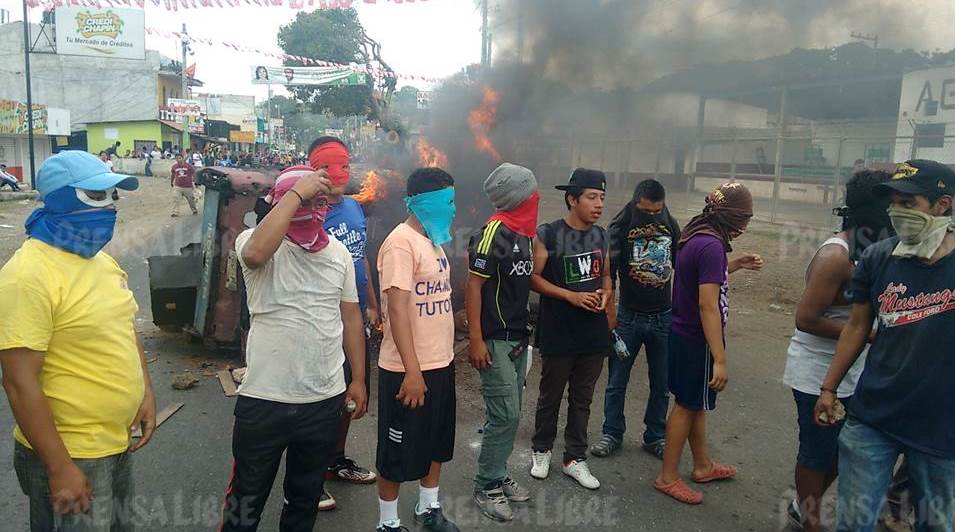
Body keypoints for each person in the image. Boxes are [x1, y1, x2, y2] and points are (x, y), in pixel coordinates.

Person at [0, 150, 154, 531]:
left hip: (114, 445)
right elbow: (19, 383)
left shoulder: (101, 262)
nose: (109, 209)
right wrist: (59, 467)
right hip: (72, 452)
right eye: (97, 196)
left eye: (112, 197)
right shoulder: (28, 276)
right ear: (63, 199)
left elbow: (125, 326)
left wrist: (145, 393)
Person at [219, 165, 368, 532]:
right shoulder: (257, 242)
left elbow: (350, 318)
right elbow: (254, 255)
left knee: (303, 503)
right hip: (265, 400)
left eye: (320, 202)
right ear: (282, 202)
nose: (314, 209)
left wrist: (359, 379)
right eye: (304, 199)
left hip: (323, 400)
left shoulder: (337, 254)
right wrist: (296, 194)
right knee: (245, 503)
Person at [815, 159, 955, 532]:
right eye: (893, 203)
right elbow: (858, 326)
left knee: (937, 524)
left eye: (909, 204)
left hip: (942, 427)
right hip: (874, 415)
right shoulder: (878, 257)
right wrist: (829, 387)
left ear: (943, 206)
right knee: (854, 521)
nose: (897, 213)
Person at [781, 170, 893, 531]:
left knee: (845, 451)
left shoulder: (877, 249)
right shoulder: (836, 256)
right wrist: (866, 334)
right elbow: (806, 318)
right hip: (816, 371)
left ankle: (802, 506)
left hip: (853, 369)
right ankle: (810, 521)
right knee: (816, 452)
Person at [654, 182, 763, 505]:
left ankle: (702, 465)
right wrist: (720, 358)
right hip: (696, 340)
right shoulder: (713, 246)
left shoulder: (696, 236)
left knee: (695, 403)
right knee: (687, 406)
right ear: (731, 217)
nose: (744, 225)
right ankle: (667, 477)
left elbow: (701, 276)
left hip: (682, 334)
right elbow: (707, 304)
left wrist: (736, 265)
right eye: (743, 218)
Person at [375, 168, 458, 532]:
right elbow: (397, 308)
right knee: (396, 451)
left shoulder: (433, 242)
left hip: (441, 362)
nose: (454, 210)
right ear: (429, 203)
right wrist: (412, 372)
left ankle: (428, 508)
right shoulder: (400, 243)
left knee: (437, 443)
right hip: (407, 369)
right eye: (449, 202)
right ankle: (388, 523)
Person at [306, 136, 381, 511]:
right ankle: (309, 477)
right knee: (320, 402)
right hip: (321, 325)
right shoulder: (304, 211)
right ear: (313, 169)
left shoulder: (354, 207)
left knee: (350, 398)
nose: (338, 174)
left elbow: (360, 257)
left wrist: (372, 303)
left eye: (344, 166)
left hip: (355, 320)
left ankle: (335, 459)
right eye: (327, 167)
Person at [529, 168, 613, 491]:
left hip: (593, 334)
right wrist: (571, 296)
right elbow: (533, 278)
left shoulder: (602, 235)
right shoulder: (548, 234)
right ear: (572, 199)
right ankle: (542, 450)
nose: (599, 204)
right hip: (559, 332)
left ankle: (574, 458)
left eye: (602, 197)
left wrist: (606, 294)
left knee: (583, 399)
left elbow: (606, 274)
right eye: (592, 197)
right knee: (550, 396)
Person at [466, 163, 538, 522]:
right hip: (494, 339)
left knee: (512, 414)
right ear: (520, 197)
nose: (538, 198)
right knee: (504, 414)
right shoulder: (494, 233)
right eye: (532, 193)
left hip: (518, 338)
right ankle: (486, 485)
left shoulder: (524, 233)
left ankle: (498, 471)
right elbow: (474, 287)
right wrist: (476, 339)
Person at [591, 178, 681, 460]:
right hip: (629, 317)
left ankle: (655, 436)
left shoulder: (671, 223)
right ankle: (611, 433)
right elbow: (609, 272)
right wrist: (611, 314)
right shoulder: (620, 225)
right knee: (617, 380)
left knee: (662, 382)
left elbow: (684, 262)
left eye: (658, 210)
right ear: (635, 202)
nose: (653, 216)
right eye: (647, 211)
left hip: (663, 317)